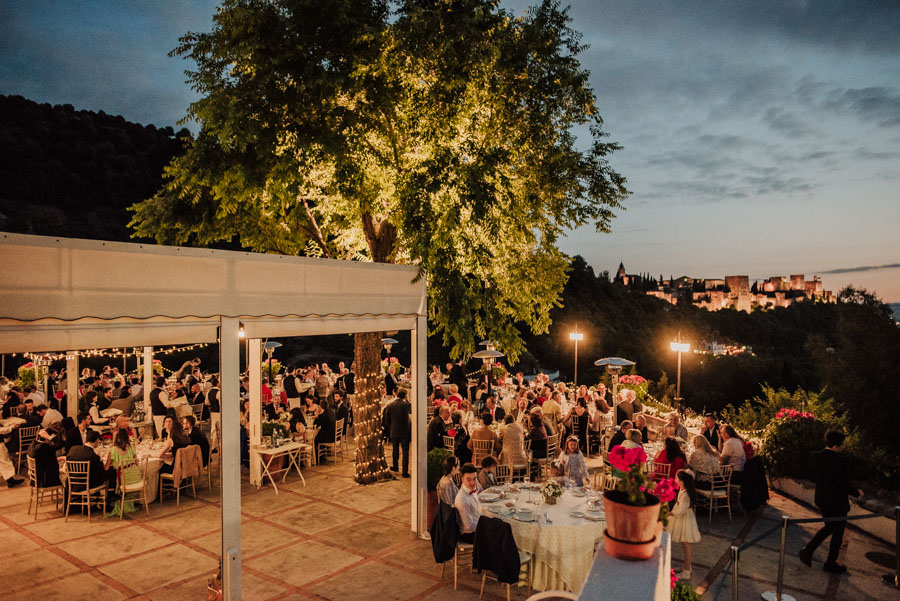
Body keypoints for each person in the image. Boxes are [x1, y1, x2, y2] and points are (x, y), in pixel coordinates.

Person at [798, 430, 862, 574]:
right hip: (837, 501)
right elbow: (844, 484)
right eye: (842, 444)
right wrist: (857, 493)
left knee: (831, 527)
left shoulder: (815, 457)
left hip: (822, 498)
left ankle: (811, 553)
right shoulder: (840, 461)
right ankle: (824, 560)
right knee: (837, 531)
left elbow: (810, 475)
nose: (843, 447)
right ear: (835, 446)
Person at [668, 470, 701, 581]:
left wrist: (670, 513)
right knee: (684, 544)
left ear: (682, 481)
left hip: (685, 520)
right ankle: (687, 567)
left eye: (677, 478)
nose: (675, 480)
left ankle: (686, 572)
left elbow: (681, 510)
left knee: (686, 545)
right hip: (684, 518)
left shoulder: (685, 494)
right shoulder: (683, 490)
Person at [383, 388, 412, 477]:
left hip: (394, 430)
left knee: (395, 449)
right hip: (405, 431)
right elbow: (411, 414)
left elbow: (386, 420)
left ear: (396, 394)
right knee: (405, 451)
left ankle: (395, 466)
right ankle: (404, 471)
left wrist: (391, 427)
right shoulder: (407, 405)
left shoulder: (390, 405)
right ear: (405, 396)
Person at [453, 463, 481, 543]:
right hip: (468, 535)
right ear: (462, 479)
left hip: (475, 527)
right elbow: (468, 526)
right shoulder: (462, 499)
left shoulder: (472, 490)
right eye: (468, 479)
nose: (472, 483)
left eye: (474, 479)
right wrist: (485, 526)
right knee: (499, 534)